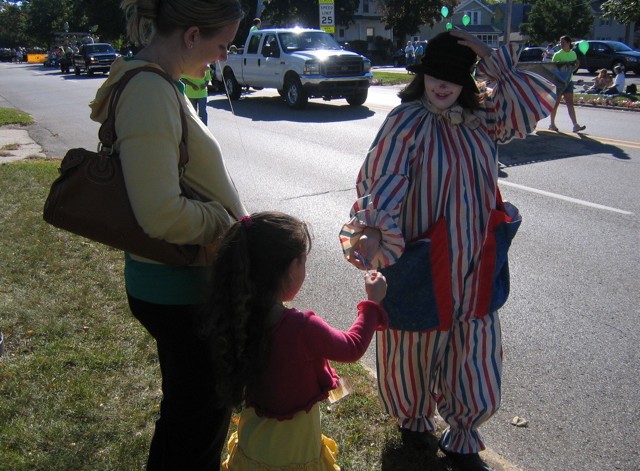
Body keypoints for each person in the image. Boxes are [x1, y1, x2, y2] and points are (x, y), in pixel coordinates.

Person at [339, 30, 555, 471]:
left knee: (474, 347)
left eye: (454, 78)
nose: (443, 85)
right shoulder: (405, 120)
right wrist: (374, 228)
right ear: (422, 76)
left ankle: (463, 438)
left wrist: (490, 57)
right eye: (436, 75)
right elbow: (384, 176)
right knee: (413, 345)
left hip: (475, 260)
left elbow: (527, 104)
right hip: (422, 257)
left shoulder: (483, 118)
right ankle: (415, 424)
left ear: (467, 81)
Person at [88, 0, 247, 469]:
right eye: (222, 46)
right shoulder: (149, 91)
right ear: (192, 35)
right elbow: (159, 212)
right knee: (195, 423)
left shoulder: (160, 84)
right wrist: (228, 226)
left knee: (193, 414)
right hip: (178, 288)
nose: (224, 57)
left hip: (179, 283)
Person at [199, 212, 388, 470]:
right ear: (291, 268)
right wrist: (372, 303)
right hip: (295, 446)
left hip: (255, 440)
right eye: (303, 264)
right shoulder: (302, 329)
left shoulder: (235, 314)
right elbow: (352, 346)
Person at [549, 35, 586, 133]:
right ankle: (552, 124)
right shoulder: (557, 55)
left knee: (570, 104)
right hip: (559, 82)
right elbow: (554, 69)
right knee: (556, 104)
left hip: (568, 81)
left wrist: (577, 65)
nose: (561, 44)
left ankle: (575, 125)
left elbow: (571, 70)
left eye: (563, 42)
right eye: (560, 42)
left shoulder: (573, 54)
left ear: (569, 43)